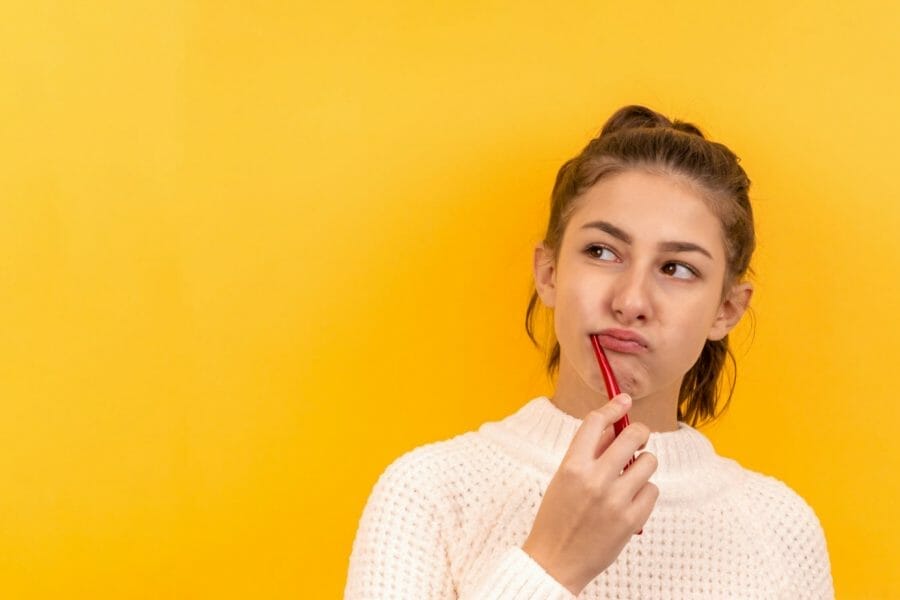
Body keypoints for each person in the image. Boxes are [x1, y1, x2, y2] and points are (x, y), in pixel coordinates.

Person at [343, 105, 834, 599]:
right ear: (549, 273)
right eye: (602, 252)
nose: (631, 301)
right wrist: (552, 565)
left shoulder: (781, 529)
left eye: (678, 268)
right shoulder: (429, 494)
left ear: (726, 309)